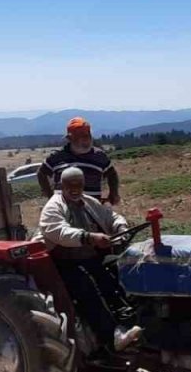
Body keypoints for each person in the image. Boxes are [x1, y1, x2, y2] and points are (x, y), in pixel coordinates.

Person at [37, 167, 142, 355]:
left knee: (114, 277)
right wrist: (90, 237)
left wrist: (119, 226)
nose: (75, 189)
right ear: (62, 185)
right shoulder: (53, 207)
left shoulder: (89, 202)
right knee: (87, 289)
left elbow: (111, 216)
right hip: (61, 262)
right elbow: (59, 232)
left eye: (79, 185)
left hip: (88, 257)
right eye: (71, 185)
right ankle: (111, 337)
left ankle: (128, 321)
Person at [37, 117, 120, 204]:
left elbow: (112, 174)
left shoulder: (100, 156)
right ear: (70, 138)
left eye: (88, 133)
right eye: (80, 135)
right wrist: (50, 195)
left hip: (92, 210)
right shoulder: (57, 156)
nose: (86, 137)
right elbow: (41, 173)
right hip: (63, 210)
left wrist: (114, 193)